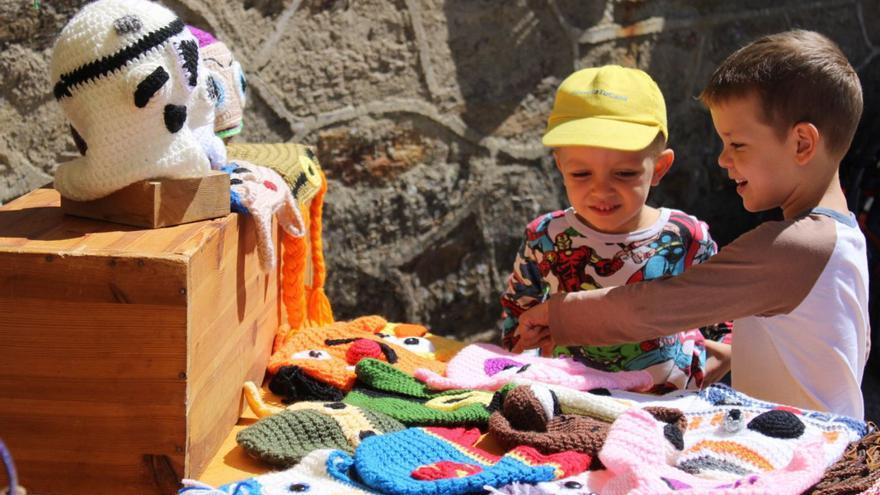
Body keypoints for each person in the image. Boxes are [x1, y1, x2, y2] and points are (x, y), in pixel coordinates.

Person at [514, 30, 870, 419]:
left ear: (802, 143)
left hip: (807, 448)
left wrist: (557, 315)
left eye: (737, 144)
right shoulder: (842, 235)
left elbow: (654, 307)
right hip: (822, 436)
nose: (722, 159)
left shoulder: (793, 247)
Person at [500, 65, 732, 392]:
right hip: (571, 396)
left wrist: (720, 359)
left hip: (666, 402)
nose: (602, 190)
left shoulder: (686, 237)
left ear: (659, 167)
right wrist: (521, 344)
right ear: (560, 167)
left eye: (624, 174)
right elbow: (517, 312)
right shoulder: (545, 236)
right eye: (581, 174)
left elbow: (721, 312)